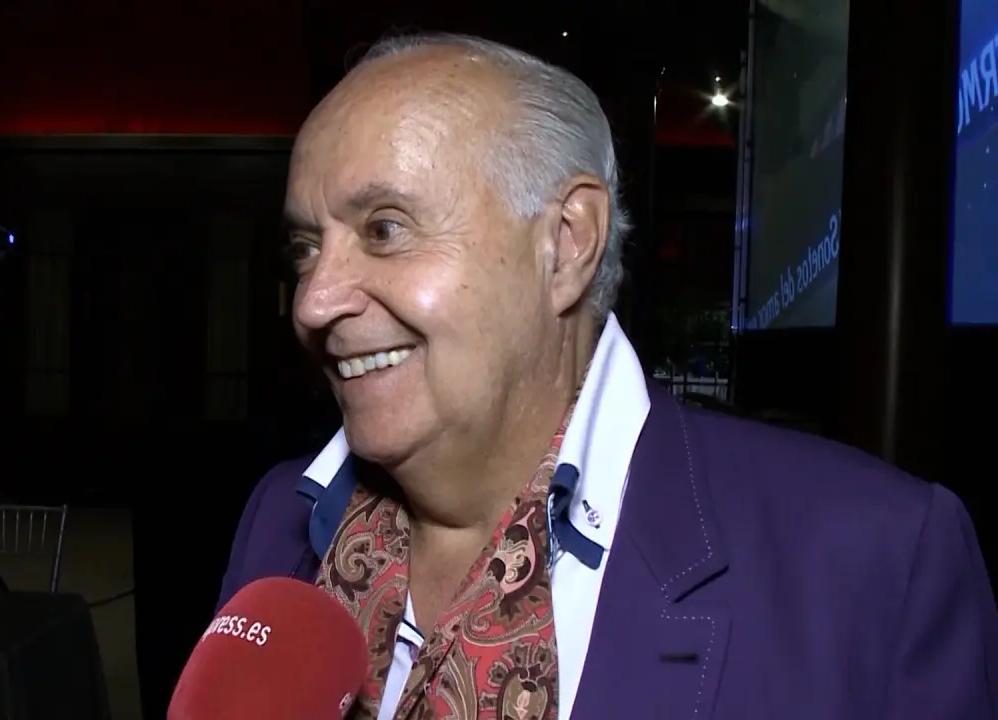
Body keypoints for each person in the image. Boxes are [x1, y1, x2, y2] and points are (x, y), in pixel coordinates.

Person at [214, 33, 998, 719]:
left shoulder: (873, 560)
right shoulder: (281, 517)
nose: (314, 301)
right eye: (306, 248)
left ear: (565, 242)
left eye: (385, 229)